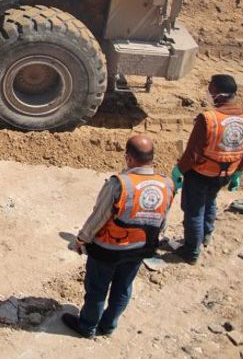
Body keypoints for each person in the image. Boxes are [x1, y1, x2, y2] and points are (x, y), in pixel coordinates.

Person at [62, 134, 174, 338]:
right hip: (140, 248)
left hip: (108, 249)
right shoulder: (166, 184)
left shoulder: (119, 184)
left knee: (97, 289)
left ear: (129, 158)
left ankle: (87, 326)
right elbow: (162, 217)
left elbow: (99, 216)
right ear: (152, 158)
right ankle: (108, 325)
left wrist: (82, 239)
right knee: (123, 288)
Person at [171, 74, 243, 264]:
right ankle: (206, 235)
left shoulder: (208, 119)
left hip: (202, 173)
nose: (208, 92)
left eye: (210, 89)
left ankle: (191, 251)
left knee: (194, 211)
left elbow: (193, 153)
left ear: (217, 93)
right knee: (210, 202)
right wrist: (238, 174)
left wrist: (178, 171)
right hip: (225, 173)